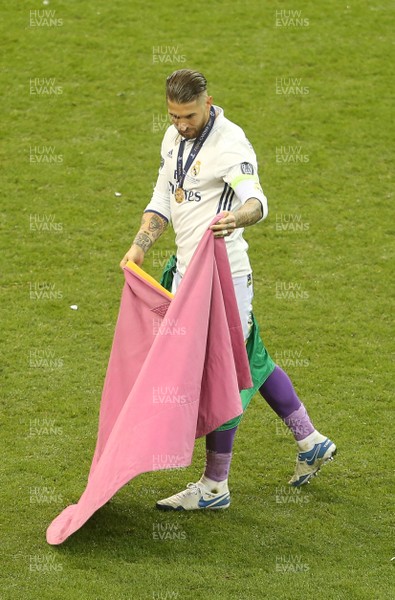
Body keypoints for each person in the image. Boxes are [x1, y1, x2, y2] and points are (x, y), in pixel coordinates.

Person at [120, 69, 336, 511]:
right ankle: (310, 441)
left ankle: (215, 485)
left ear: (209, 102)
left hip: (225, 279)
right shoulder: (173, 137)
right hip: (186, 274)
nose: (181, 124)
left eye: (189, 116)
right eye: (174, 116)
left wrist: (234, 219)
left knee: (218, 375)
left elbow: (257, 200)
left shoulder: (230, 143)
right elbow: (165, 196)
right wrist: (140, 245)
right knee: (250, 360)